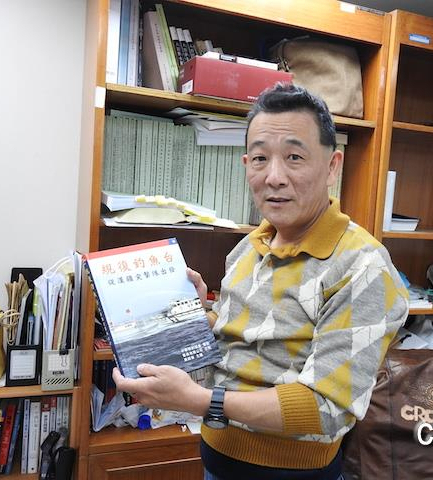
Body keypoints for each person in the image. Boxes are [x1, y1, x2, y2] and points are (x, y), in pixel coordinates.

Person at [113, 83, 409, 480]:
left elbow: (325, 407)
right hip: (216, 461)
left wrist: (200, 400)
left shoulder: (363, 265)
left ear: (332, 166)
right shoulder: (249, 246)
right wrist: (199, 316)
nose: (274, 177)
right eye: (260, 158)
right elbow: (240, 341)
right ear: (246, 165)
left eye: (294, 157)